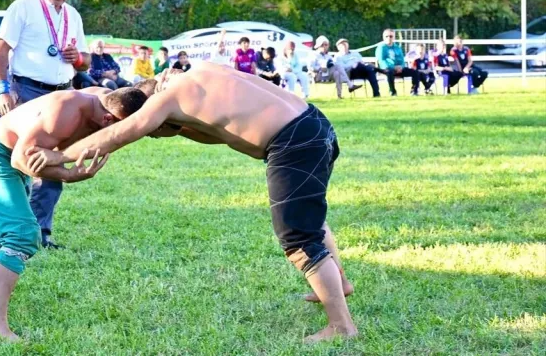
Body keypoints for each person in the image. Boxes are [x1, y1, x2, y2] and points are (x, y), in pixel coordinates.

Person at [30, 64, 358, 344]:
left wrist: (58, 155)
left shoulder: (164, 100)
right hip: (316, 122)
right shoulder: (203, 72)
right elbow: (218, 129)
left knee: (298, 237)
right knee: (309, 216)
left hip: (292, 141)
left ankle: (341, 327)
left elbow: (119, 135)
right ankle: (337, 284)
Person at [0, 87, 147, 341]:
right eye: (117, 133)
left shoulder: (100, 103)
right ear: (108, 120)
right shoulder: (65, 110)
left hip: (5, 155)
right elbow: (21, 161)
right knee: (22, 233)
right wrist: (68, 175)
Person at [0, 0, 91, 249]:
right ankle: (18, 231)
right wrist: (2, 91)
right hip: (28, 92)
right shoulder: (22, 7)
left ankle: (39, 233)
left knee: (52, 162)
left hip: (63, 96)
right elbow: (1, 50)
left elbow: (87, 61)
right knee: (23, 163)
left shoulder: (73, 16)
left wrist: (78, 58)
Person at [375, 29, 423, 96]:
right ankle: (393, 91)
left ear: (394, 37)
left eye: (391, 36)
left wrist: (401, 67)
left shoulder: (397, 47)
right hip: (386, 69)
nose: (389, 38)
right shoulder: (381, 48)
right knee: (390, 72)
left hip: (399, 69)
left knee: (415, 72)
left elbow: (402, 60)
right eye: (387, 36)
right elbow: (382, 61)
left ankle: (414, 91)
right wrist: (393, 67)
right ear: (383, 37)